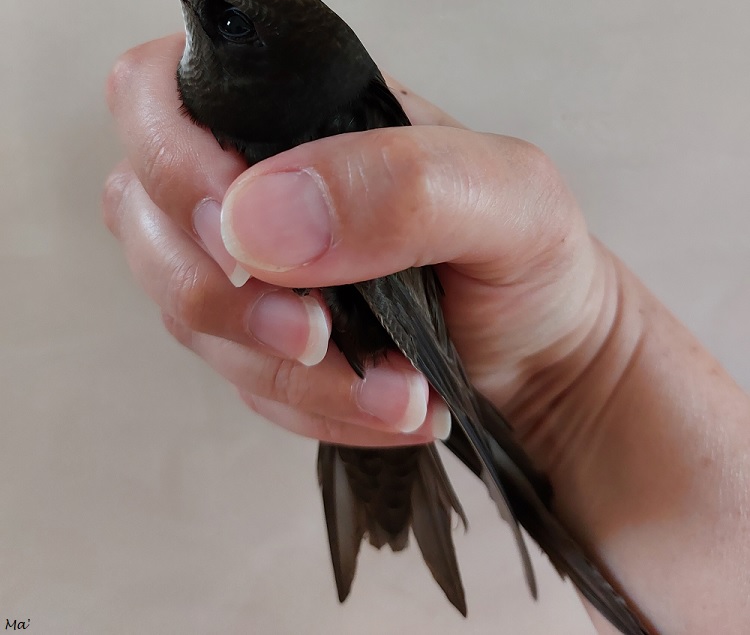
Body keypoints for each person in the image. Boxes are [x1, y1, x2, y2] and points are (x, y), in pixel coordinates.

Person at [103, 34, 750, 634]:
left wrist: (576, 363)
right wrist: (576, 362)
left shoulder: (343, 108)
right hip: (419, 374)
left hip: (408, 364)